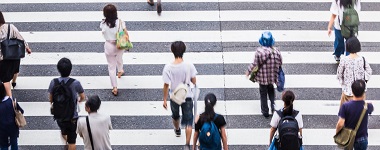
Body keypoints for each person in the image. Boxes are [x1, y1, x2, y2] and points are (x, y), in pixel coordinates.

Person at [162, 41, 197, 148]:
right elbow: (194, 81)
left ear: (172, 51)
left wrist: (164, 99)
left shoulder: (168, 67)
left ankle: (177, 130)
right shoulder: (189, 65)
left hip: (174, 96)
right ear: (184, 51)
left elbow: (166, 85)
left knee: (175, 115)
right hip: (187, 96)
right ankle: (187, 144)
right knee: (189, 121)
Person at [48, 58, 86, 150]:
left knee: (63, 131)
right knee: (72, 141)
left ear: (58, 70)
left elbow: (50, 99)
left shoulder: (54, 82)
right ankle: (69, 144)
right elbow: (83, 97)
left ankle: (65, 142)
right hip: (72, 116)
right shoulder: (75, 83)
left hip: (59, 114)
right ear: (70, 69)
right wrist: (79, 100)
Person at [246, 31, 282, 118]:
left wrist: (248, 71)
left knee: (263, 93)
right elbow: (280, 62)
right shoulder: (276, 51)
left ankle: (265, 111)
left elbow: (255, 64)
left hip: (262, 78)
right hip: (272, 77)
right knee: (271, 91)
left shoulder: (259, 52)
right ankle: (273, 106)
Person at [0, 11, 32, 96]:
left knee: (5, 79)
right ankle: (14, 82)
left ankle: (9, 100)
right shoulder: (10, 27)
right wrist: (27, 47)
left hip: (3, 59)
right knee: (15, 70)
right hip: (14, 54)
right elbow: (20, 38)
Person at [336, 80, 374, 150]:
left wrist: (337, 133)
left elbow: (340, 123)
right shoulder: (367, 106)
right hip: (362, 138)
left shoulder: (345, 106)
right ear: (363, 93)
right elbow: (371, 109)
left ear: (352, 92)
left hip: (348, 137)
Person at [101, 4, 129, 96]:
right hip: (120, 44)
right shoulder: (120, 22)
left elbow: (103, 32)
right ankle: (120, 70)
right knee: (119, 58)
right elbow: (126, 33)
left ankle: (115, 87)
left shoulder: (103, 24)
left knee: (111, 67)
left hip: (109, 45)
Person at [337, 37, 371, 106]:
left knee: (345, 111)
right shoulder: (362, 59)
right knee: (360, 110)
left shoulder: (344, 60)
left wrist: (342, 83)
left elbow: (339, 73)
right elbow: (369, 71)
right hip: (360, 91)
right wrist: (365, 80)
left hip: (348, 90)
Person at [0, 82, 24, 150]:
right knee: (14, 143)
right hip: (13, 127)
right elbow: (21, 111)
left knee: (3, 145)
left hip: (1, 129)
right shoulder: (11, 100)